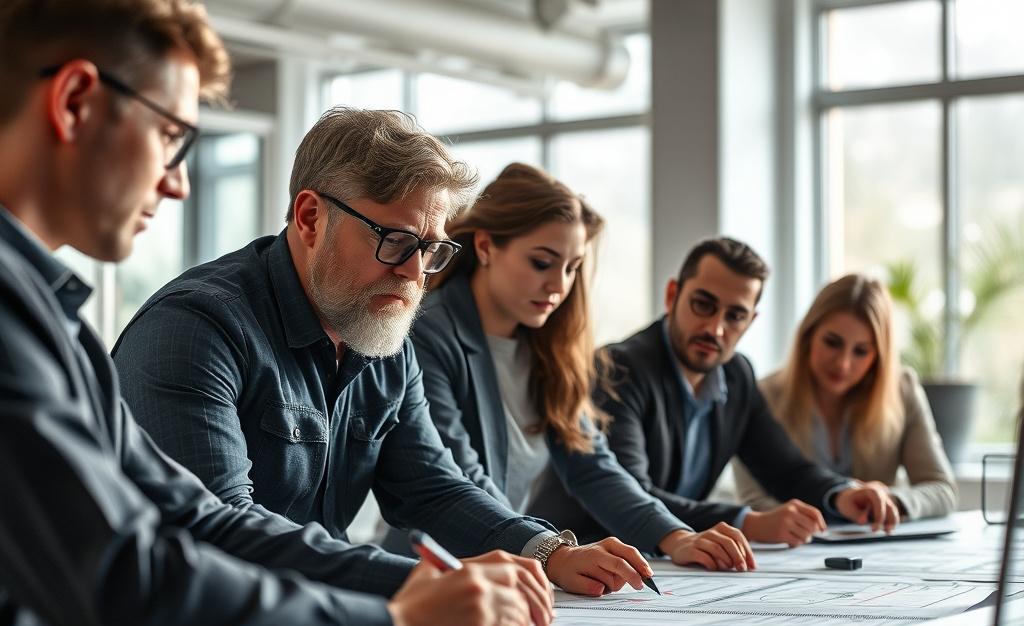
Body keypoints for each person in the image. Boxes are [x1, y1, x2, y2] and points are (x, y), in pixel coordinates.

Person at [0, 0, 546, 626]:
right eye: (173, 136)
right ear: (77, 100)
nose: (178, 183)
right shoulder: (144, 324)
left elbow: (194, 520)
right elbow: (129, 586)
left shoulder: (53, 320)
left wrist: (416, 590)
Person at [113, 110, 654, 598]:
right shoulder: (196, 329)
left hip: (319, 620)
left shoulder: (379, 334)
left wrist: (547, 552)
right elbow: (219, 527)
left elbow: (432, 488)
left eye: (431, 249)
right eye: (394, 241)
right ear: (309, 218)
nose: (416, 273)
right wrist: (422, 580)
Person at [383, 163, 755, 572]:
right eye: (543, 263)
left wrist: (676, 537)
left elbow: (592, 466)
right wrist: (551, 553)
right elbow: (458, 480)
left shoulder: (549, 348)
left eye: (572, 267)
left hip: (513, 566)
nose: (559, 285)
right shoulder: (427, 334)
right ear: (487, 247)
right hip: (432, 572)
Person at [591, 237, 901, 548]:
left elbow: (785, 469)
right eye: (703, 305)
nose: (715, 329)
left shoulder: (737, 375)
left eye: (735, 316)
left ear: (750, 321)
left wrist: (843, 493)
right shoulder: (617, 369)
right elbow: (632, 495)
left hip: (666, 566)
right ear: (672, 296)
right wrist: (747, 522)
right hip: (588, 558)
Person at [733, 274, 956, 519]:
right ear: (809, 336)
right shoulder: (761, 395)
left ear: (878, 357)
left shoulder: (903, 390)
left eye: (861, 351)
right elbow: (754, 502)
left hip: (877, 545)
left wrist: (890, 501)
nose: (843, 364)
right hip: (797, 549)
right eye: (832, 342)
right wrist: (837, 504)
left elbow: (942, 490)